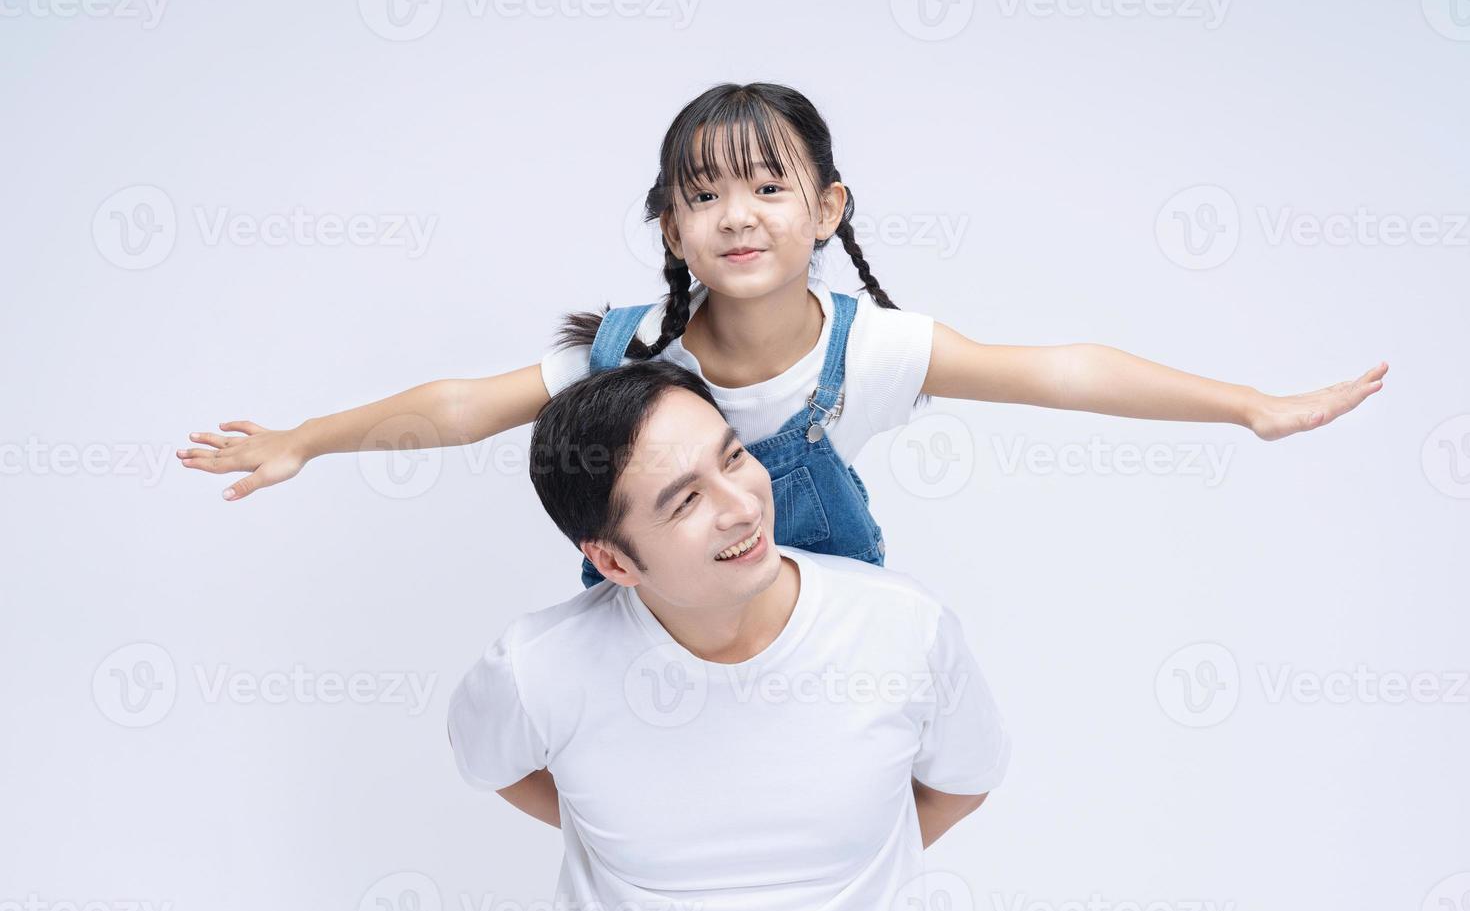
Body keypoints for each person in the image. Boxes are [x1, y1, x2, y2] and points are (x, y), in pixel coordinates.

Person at [177, 82, 1388, 585]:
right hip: (653, 632)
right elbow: (459, 406)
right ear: (670, 222)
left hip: (811, 632)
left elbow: (1063, 370)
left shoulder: (877, 350)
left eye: (768, 186)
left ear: (826, 209)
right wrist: (307, 440)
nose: (736, 215)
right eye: (703, 194)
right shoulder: (628, 348)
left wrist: (1249, 404)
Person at [447, 360, 1011, 911]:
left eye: (734, 457)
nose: (742, 506)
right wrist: (611, 827)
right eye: (686, 500)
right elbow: (491, 763)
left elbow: (962, 783)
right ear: (612, 561)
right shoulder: (536, 668)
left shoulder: (904, 628)